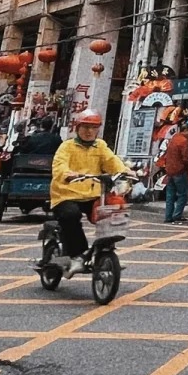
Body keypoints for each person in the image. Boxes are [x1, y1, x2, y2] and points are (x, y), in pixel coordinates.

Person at [49, 111, 131, 277]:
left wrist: (126, 171)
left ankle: (107, 250)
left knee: (113, 209)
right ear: (78, 128)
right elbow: (59, 166)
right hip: (66, 194)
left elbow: (112, 161)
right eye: (85, 127)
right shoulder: (67, 146)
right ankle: (77, 255)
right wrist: (68, 174)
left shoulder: (100, 146)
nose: (89, 131)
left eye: (93, 128)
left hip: (92, 194)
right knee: (71, 215)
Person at [160, 123, 188, 224]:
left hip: (170, 170)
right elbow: (185, 158)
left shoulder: (174, 138)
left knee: (170, 195)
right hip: (179, 171)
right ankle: (177, 215)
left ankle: (168, 216)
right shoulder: (184, 141)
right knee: (182, 194)